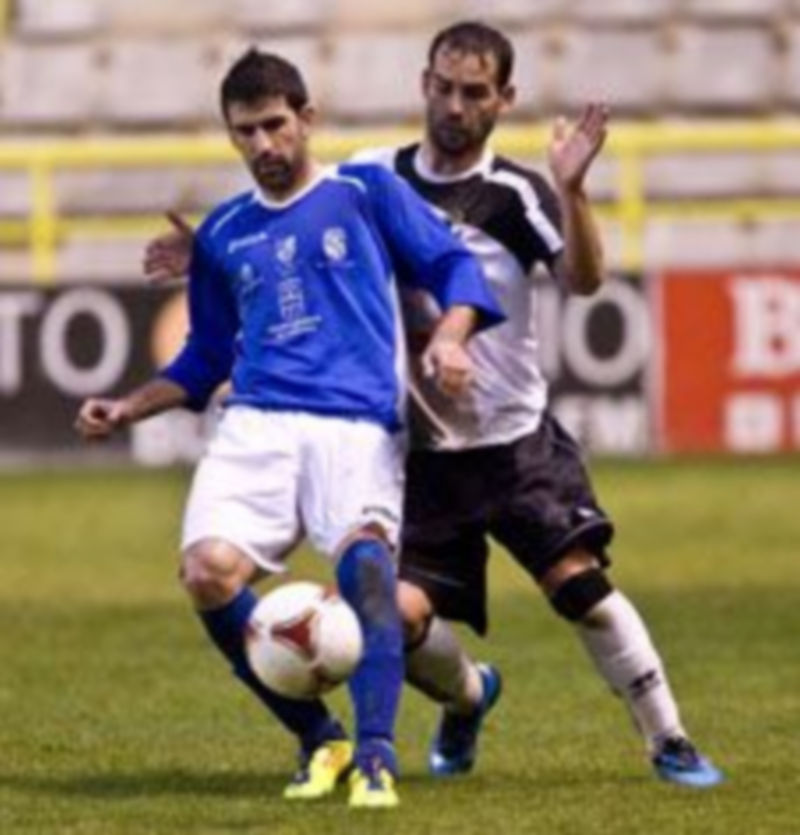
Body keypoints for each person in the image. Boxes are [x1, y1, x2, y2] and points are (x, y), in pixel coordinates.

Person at [143, 24, 723, 789]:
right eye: (444, 86)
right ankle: (470, 695)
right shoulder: (372, 176)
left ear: (504, 99)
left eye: (475, 92)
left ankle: (668, 737)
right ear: (424, 84)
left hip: (511, 441)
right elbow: (291, 219)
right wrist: (213, 254)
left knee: (580, 587)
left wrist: (573, 191)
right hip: (418, 454)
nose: (455, 104)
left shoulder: (515, 192)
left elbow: (583, 279)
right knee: (401, 619)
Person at [76, 48, 503, 810]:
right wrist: (127, 405)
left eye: (276, 125)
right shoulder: (226, 232)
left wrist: (451, 336)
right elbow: (206, 357)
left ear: (307, 119)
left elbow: (452, 268)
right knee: (207, 572)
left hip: (355, 423)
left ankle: (376, 753)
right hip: (258, 424)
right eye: (246, 132)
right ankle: (319, 736)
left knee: (366, 573)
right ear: (230, 135)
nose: (264, 146)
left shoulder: (365, 191)